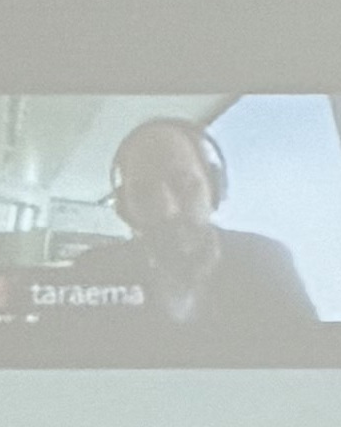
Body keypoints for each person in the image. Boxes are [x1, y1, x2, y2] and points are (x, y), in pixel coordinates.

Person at [77, 111, 324, 341]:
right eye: (143, 193)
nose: (167, 210)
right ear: (125, 208)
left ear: (214, 189)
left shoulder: (267, 260)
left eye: (183, 184)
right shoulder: (93, 271)